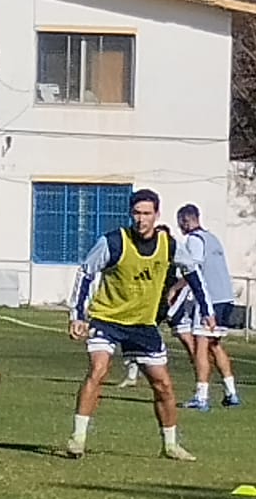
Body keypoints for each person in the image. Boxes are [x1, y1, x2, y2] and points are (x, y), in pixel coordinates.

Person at [65, 189, 210, 461]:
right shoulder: (114, 242)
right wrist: (78, 316)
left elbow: (192, 272)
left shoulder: (169, 245)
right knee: (99, 370)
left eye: (147, 213)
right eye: (137, 213)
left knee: (163, 385)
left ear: (156, 215)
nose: (141, 219)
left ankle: (170, 445)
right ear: (130, 214)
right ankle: (77, 439)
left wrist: (207, 309)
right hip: (107, 318)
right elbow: (86, 272)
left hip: (142, 324)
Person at [170, 204, 240, 410]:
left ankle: (201, 397)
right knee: (215, 345)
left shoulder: (194, 240)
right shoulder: (213, 238)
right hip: (226, 298)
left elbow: (193, 268)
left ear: (185, 221)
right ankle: (231, 393)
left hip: (210, 299)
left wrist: (175, 288)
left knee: (201, 346)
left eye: (180, 222)